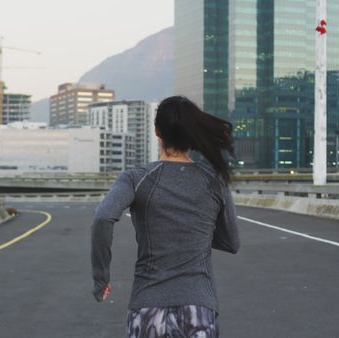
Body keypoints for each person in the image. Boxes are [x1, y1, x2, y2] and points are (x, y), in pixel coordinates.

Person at [90, 96, 240, 338]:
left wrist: (101, 279)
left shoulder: (136, 177)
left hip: (148, 307)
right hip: (198, 309)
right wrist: (196, 233)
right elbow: (232, 243)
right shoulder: (214, 180)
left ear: (157, 131)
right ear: (192, 135)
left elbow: (103, 218)